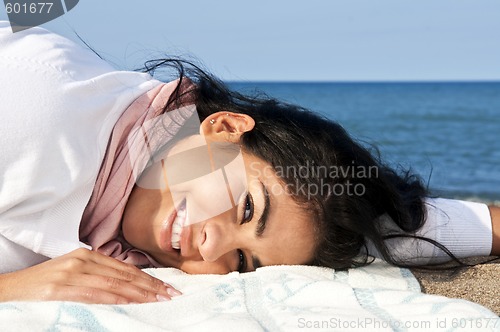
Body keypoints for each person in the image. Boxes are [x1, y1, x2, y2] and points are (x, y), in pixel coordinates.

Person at [0, 22, 498, 305]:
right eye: (244, 210)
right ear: (221, 128)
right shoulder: (37, 113)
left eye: (242, 264)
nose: (213, 247)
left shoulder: (150, 178)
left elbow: (385, 226)